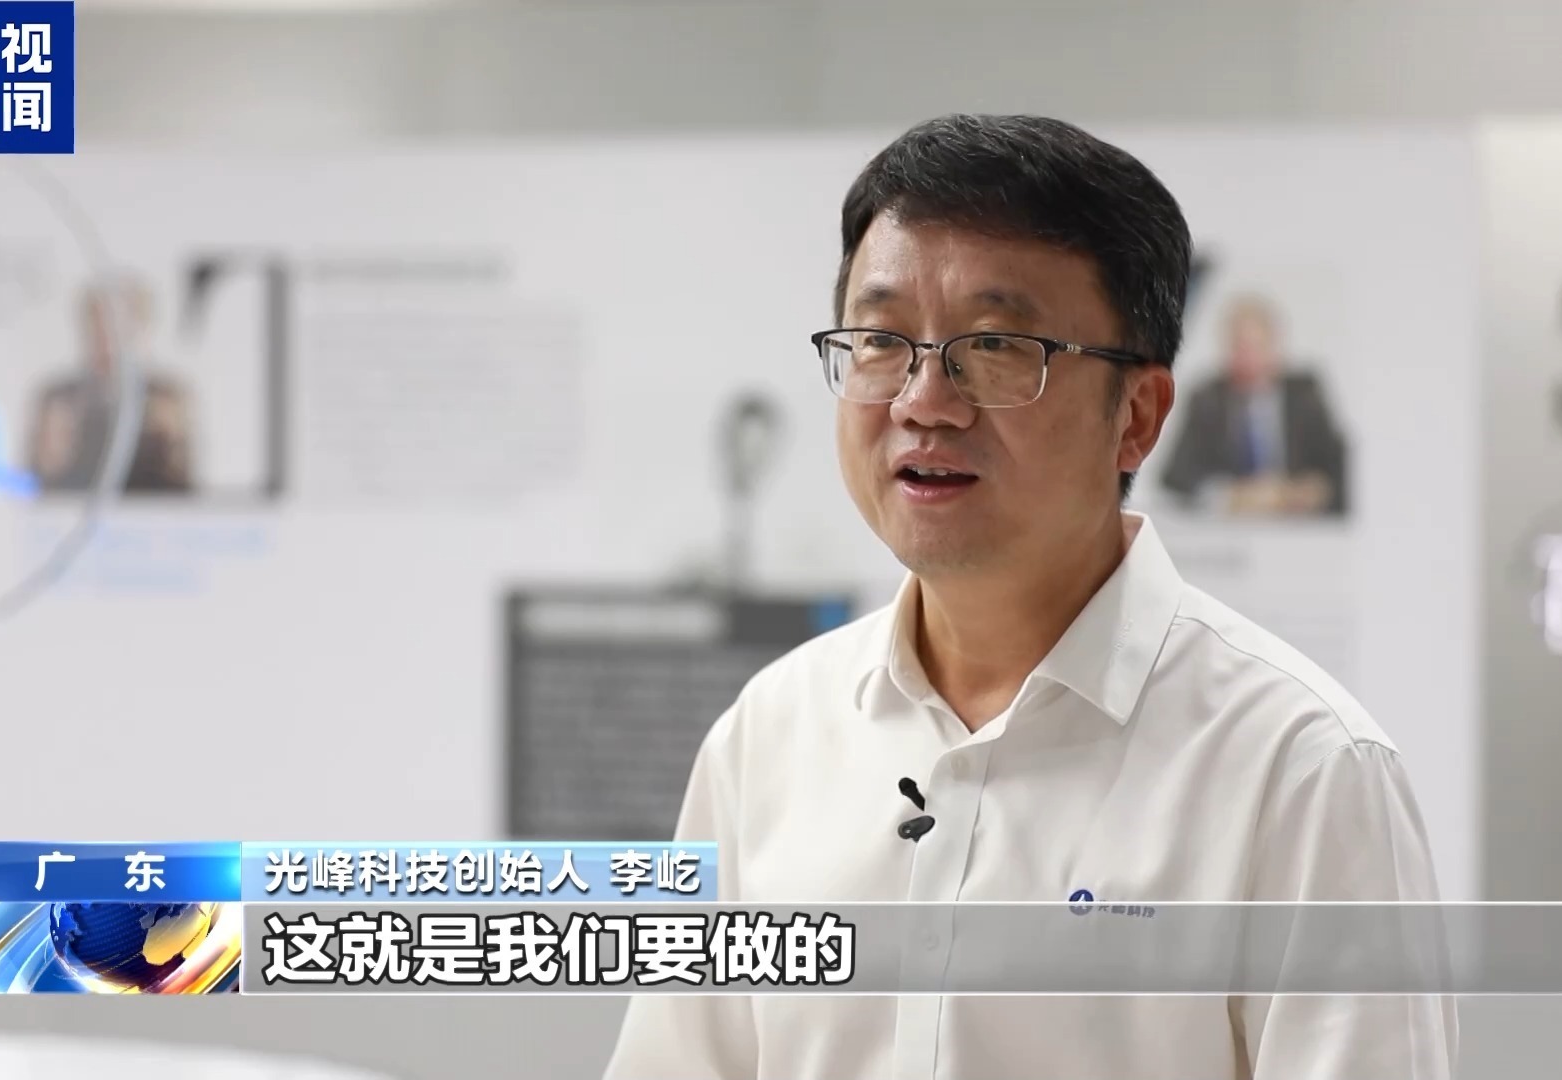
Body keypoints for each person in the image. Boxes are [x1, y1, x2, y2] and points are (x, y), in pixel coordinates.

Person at [604, 114, 1454, 1079]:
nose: (924, 401)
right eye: (881, 340)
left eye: (996, 346)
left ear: (1137, 416)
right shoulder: (770, 734)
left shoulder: (1298, 769)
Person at [1159, 293, 1348, 515]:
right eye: (1240, 348)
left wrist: (1312, 491)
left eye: (1255, 347)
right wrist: (1231, 495)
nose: (1248, 358)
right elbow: (1175, 476)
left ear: (1274, 347)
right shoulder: (1207, 399)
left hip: (1297, 524)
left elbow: (1338, 468)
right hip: (1229, 527)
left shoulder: (1306, 396)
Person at [28, 273, 195, 495]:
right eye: (99, 329)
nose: (108, 343)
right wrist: (50, 457)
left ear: (142, 331)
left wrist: (170, 445)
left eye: (121, 331)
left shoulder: (167, 398)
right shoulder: (59, 399)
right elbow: (33, 489)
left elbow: (185, 491)